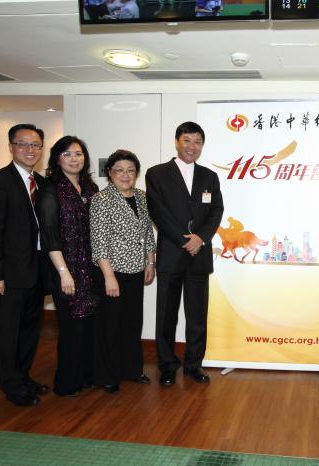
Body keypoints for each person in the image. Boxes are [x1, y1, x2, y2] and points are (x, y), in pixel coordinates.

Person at [145, 122, 224, 386]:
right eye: (187, 140)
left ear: (202, 145)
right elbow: (157, 212)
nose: (192, 146)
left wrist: (201, 238)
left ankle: (194, 364)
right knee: (166, 315)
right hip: (171, 254)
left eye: (197, 141)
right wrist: (184, 240)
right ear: (177, 141)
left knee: (197, 315)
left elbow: (216, 210)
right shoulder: (156, 174)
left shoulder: (209, 176)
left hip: (199, 255)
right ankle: (167, 366)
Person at [0, 123, 49, 406]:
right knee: (9, 333)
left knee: (30, 330)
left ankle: (23, 376)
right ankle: (12, 386)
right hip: (9, 275)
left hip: (36, 271)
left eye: (35, 144)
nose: (30, 149)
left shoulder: (41, 183)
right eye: (23, 144)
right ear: (11, 147)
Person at [36, 136, 99, 397]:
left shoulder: (90, 187)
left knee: (89, 327)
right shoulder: (51, 189)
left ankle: (86, 376)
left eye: (78, 154)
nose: (74, 159)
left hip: (91, 268)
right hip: (66, 268)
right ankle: (66, 383)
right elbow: (49, 235)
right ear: (57, 159)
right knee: (71, 328)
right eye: (67, 154)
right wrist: (64, 273)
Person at [90, 150, 156, 394]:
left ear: (136, 173)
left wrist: (150, 262)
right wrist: (109, 277)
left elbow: (148, 232)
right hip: (112, 272)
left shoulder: (141, 196)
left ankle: (132, 369)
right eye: (119, 170)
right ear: (110, 173)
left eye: (130, 170)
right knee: (110, 325)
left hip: (136, 270)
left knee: (132, 322)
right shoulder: (101, 200)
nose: (125, 175)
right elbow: (99, 241)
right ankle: (108, 375)